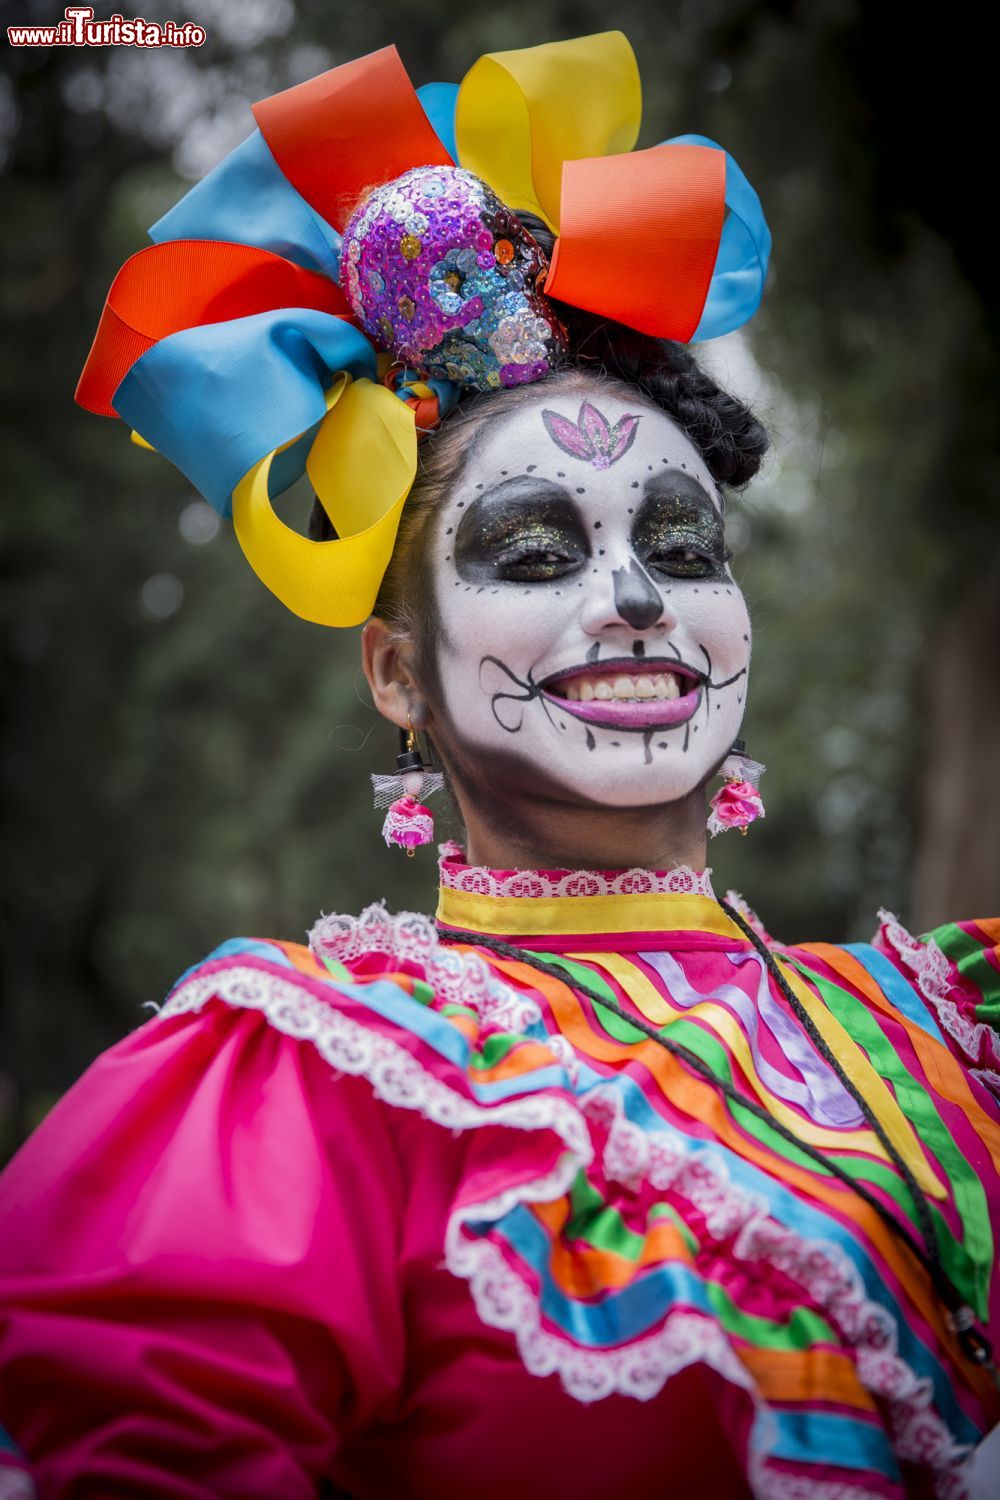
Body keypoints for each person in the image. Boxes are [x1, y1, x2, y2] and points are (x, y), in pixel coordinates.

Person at [1, 30, 998, 1500]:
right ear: (399, 669)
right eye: (537, 552)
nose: (640, 600)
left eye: (680, 546)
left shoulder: (953, 1032)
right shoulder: (310, 1080)